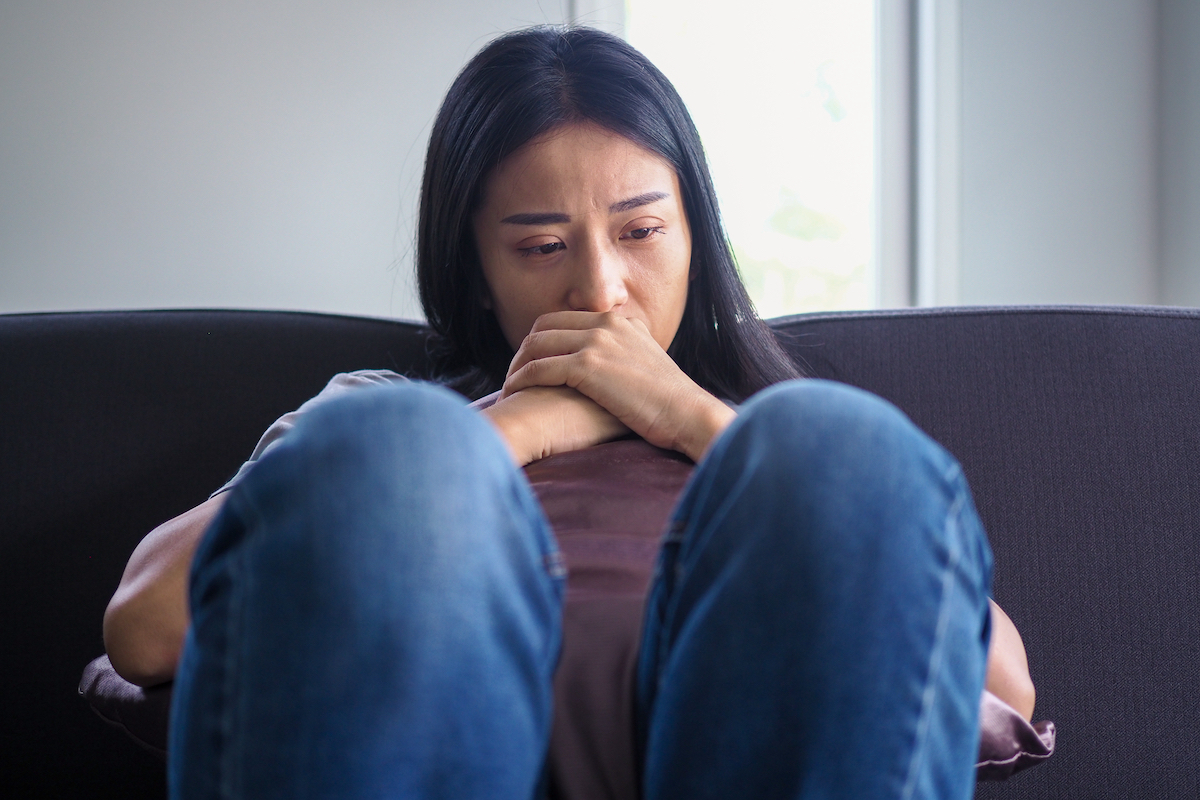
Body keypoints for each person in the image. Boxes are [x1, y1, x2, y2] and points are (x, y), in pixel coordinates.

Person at [102, 25, 1035, 800]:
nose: (601, 289)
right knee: (397, 453)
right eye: (543, 245)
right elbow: (144, 625)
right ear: (476, 272)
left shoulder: (779, 447)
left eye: (640, 231)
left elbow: (997, 682)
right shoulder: (388, 419)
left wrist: (693, 420)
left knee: (831, 446)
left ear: (695, 235)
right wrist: (517, 426)